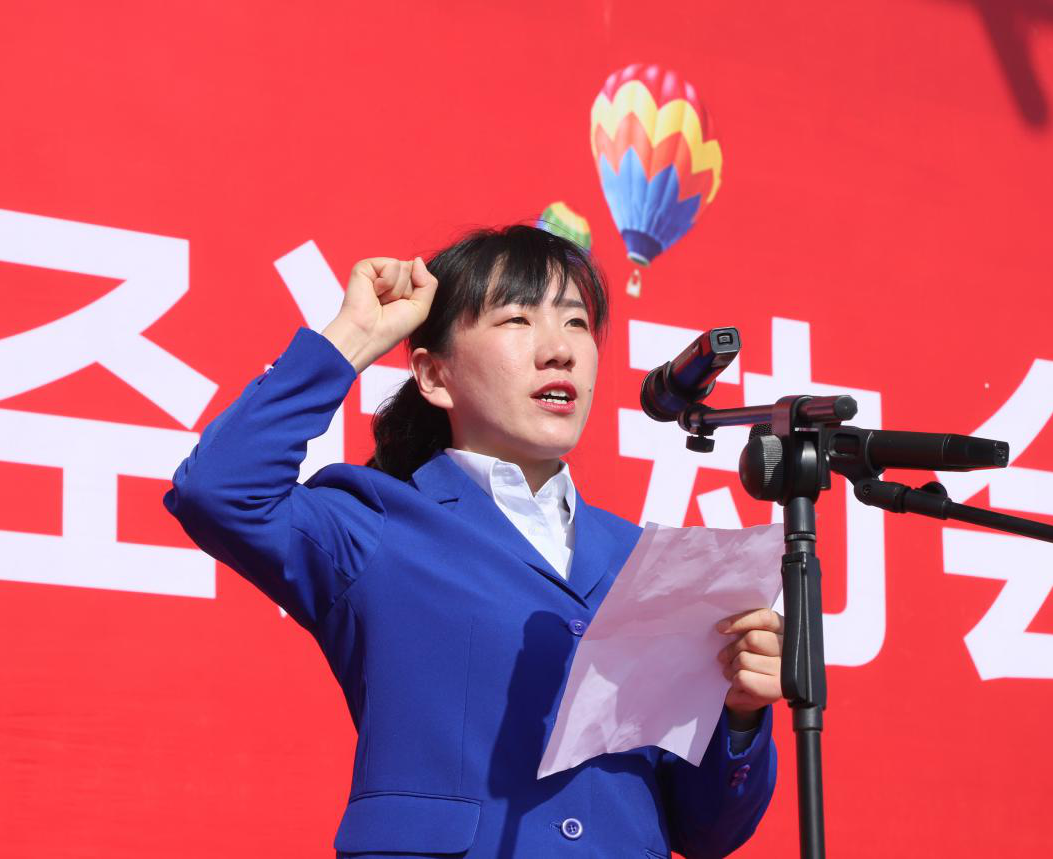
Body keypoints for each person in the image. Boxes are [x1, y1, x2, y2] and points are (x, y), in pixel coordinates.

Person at [165, 225, 785, 858]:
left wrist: (740, 714)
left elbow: (706, 832)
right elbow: (218, 490)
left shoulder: (646, 561)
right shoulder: (377, 523)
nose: (560, 351)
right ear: (434, 376)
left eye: (576, 323)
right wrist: (353, 337)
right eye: (517, 319)